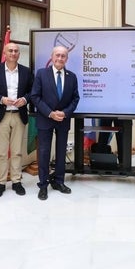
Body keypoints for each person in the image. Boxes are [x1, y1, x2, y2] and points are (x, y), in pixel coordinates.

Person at [31, 45, 80, 200]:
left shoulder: (72, 76)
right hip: (46, 119)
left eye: (63, 56)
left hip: (63, 120)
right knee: (44, 153)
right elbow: (35, 97)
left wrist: (64, 113)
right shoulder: (41, 74)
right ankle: (43, 185)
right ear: (52, 57)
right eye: (57, 55)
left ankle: (59, 181)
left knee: (61, 153)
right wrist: (50, 113)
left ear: (67, 58)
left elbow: (75, 98)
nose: (60, 58)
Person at [0, 43, 34, 198]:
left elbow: (33, 92)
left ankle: (16, 181)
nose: (13, 53)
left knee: (17, 152)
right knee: (1, 152)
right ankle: (0, 183)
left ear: (19, 54)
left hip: (19, 115)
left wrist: (25, 100)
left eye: (16, 51)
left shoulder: (26, 71)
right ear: (4, 53)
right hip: (1, 115)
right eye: (10, 50)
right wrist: (1, 99)